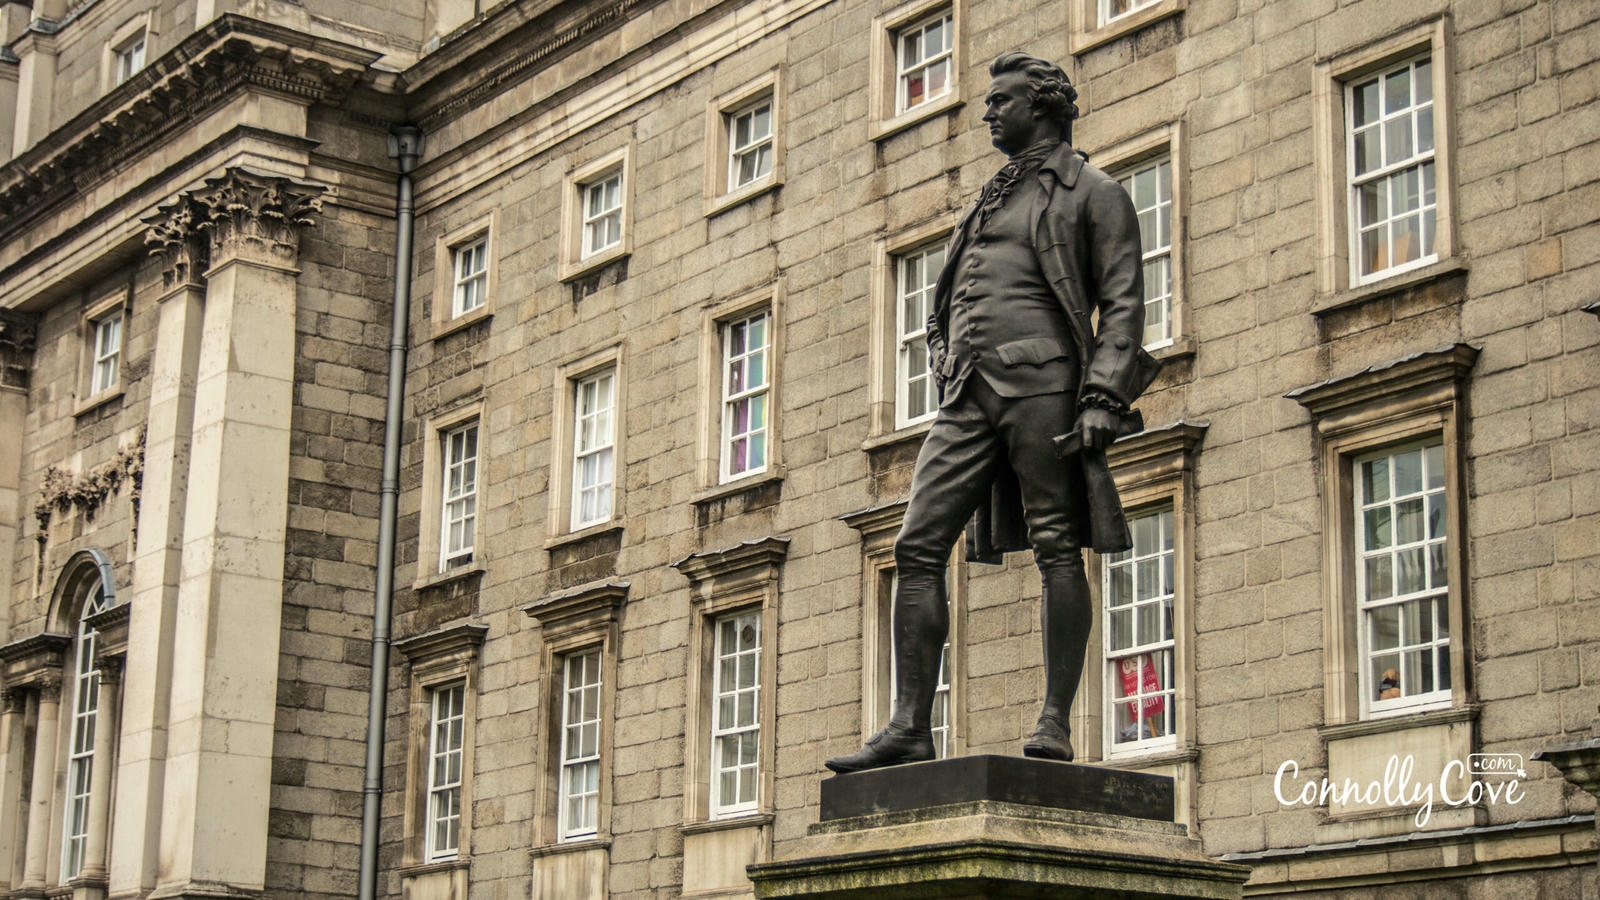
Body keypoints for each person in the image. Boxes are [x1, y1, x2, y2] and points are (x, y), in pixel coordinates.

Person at [826, 51, 1160, 774]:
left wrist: (1103, 393)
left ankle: (1055, 721)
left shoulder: (1093, 192)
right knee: (915, 547)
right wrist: (943, 352)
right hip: (966, 394)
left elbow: (1125, 302)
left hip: (1045, 383)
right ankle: (911, 725)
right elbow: (945, 302)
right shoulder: (987, 198)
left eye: (1001, 100)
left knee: (1056, 546)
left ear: (1041, 107)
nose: (987, 111)